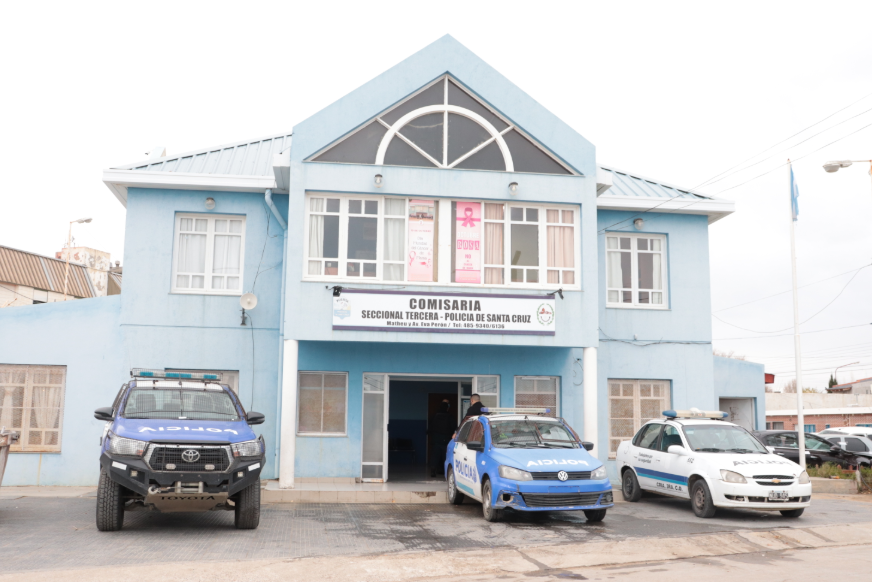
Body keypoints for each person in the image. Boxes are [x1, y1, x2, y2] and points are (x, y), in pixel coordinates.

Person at [428, 401, 456, 478]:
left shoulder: (434, 416)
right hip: (446, 439)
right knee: (445, 456)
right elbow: (453, 428)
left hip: (436, 439)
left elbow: (430, 427)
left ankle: (433, 471)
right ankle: (445, 472)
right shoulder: (450, 417)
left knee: (435, 456)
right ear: (447, 408)